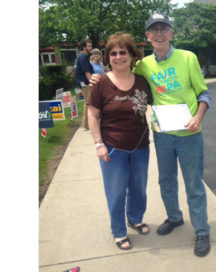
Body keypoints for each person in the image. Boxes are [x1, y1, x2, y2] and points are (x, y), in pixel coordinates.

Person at [90, 13, 212, 257]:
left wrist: (198, 117)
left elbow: (203, 94)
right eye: (153, 30)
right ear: (147, 36)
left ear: (170, 33)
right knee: (165, 181)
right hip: (162, 135)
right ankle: (174, 217)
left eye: (163, 28)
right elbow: (119, 70)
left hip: (188, 134)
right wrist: (97, 76)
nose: (158, 33)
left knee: (193, 184)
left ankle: (201, 230)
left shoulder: (188, 58)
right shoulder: (143, 65)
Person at [87, 32, 153, 250]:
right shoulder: (100, 84)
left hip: (141, 146)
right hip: (113, 148)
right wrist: (98, 143)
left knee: (139, 188)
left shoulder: (143, 82)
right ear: (108, 58)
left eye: (122, 52)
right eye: (113, 53)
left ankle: (134, 218)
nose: (118, 57)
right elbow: (92, 115)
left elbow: (156, 106)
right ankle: (118, 231)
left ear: (131, 55)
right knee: (115, 191)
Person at [74, 39, 94, 130]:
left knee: (87, 103)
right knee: (89, 102)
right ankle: (87, 125)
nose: (91, 48)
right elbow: (87, 73)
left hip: (84, 83)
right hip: (84, 83)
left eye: (91, 46)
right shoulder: (82, 57)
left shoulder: (83, 57)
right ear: (83, 47)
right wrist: (93, 83)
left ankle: (86, 125)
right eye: (89, 46)